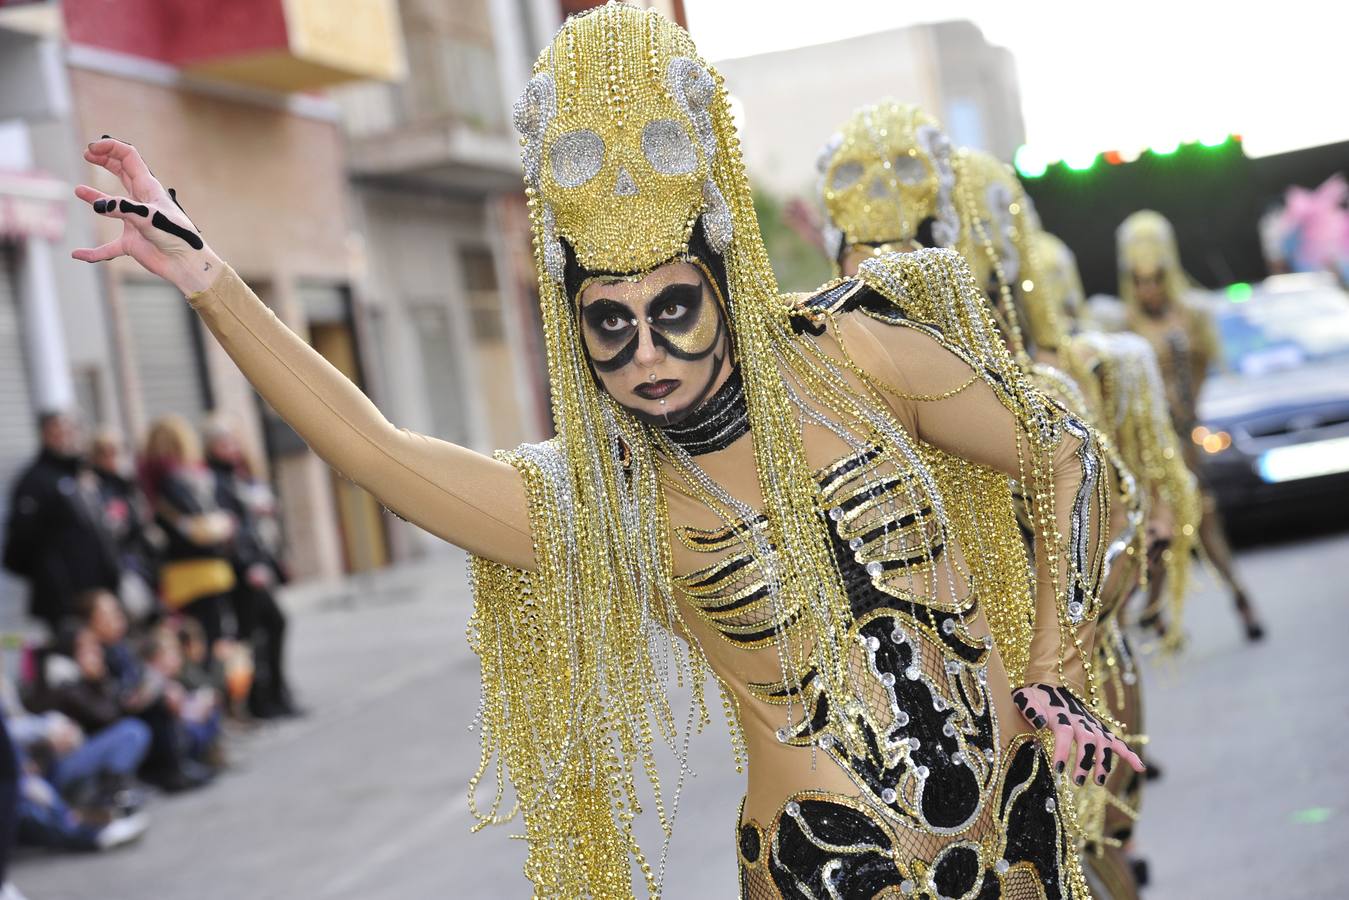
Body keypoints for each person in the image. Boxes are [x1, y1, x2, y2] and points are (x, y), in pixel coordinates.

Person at [72, 6, 1141, 897]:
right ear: (571, 325)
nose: (648, 354)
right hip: (829, 864)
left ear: (722, 273)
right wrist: (211, 281)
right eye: (609, 323)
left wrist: (1053, 671)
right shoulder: (606, 501)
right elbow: (374, 450)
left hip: (1021, 819)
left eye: (674, 307)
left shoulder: (855, 349)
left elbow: (1073, 457)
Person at [817, 102, 1150, 898]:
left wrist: (1052, 645)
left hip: (1045, 698)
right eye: (860, 285)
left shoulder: (1037, 401)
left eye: (902, 282)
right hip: (918, 738)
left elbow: (1123, 544)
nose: (880, 310)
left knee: (1082, 857)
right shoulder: (827, 424)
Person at [1116, 211, 1266, 641]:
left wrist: (1186, 425)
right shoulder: (1122, 324)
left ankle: (1238, 597)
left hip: (1182, 441)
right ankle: (1159, 613)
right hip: (1146, 446)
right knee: (1159, 531)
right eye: (1140, 279)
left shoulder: (1191, 317)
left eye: (1156, 277)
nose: (1149, 287)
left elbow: (1197, 380)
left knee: (1202, 521)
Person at [203, 416, 299, 718]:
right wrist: (248, 567)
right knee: (258, 631)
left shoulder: (239, 477)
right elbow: (230, 533)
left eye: (232, 441)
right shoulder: (216, 482)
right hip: (242, 572)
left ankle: (274, 692)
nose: (230, 448)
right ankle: (261, 697)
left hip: (256, 564)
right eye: (223, 443)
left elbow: (253, 527)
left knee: (268, 627)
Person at [2, 412, 121, 632]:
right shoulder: (35, 481)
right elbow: (20, 545)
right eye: (59, 431)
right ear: (45, 435)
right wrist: (54, 579)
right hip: (65, 602)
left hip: (101, 595)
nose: (67, 437)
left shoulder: (83, 476)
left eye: (71, 430)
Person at [139, 416, 238, 647]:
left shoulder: (149, 477)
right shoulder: (179, 477)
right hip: (203, 569)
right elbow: (199, 522)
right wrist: (223, 523)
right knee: (212, 638)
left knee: (192, 637)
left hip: (175, 572)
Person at [89, 427, 161, 623]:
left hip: (141, 565)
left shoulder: (129, 486)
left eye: (118, 451)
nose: (114, 458)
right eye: (106, 453)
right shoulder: (94, 489)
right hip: (118, 572)